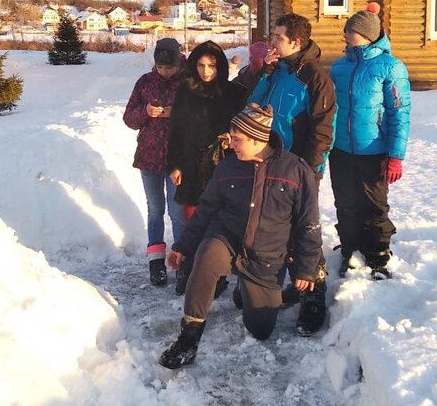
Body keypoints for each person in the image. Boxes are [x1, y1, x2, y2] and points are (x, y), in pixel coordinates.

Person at [158, 104, 323, 369]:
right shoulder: (228, 167)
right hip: (228, 239)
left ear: (257, 139)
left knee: (260, 328)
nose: (231, 144)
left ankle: (248, 289)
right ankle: (188, 338)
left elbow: (308, 224)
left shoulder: (296, 171)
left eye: (237, 139)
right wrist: (182, 247)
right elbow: (205, 210)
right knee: (208, 253)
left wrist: (306, 269)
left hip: (266, 256)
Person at [248, 13, 336, 335]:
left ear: (296, 42)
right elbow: (253, 107)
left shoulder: (314, 78)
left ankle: (314, 294)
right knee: (278, 230)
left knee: (304, 230)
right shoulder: (278, 72)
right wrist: (266, 72)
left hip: (299, 167)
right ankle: (293, 283)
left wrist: (309, 170)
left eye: (278, 39)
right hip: (269, 164)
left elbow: (324, 130)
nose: (273, 43)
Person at [328, 4, 410, 280]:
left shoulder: (390, 67)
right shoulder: (339, 66)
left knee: (374, 204)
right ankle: (350, 250)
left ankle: (377, 256)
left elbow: (400, 112)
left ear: (366, 34)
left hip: (374, 150)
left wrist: (396, 155)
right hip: (340, 148)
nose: (345, 34)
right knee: (345, 202)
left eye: (350, 30)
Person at [166, 40, 247, 294]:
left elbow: (244, 128)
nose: (206, 71)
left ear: (220, 66)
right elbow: (176, 130)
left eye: (211, 66)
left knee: (221, 219)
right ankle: (188, 268)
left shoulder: (233, 93)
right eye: (200, 65)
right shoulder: (186, 90)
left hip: (223, 165)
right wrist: (175, 164)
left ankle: (217, 271)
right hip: (191, 164)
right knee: (193, 218)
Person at [123, 38, 186, 286]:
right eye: (160, 67)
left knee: (178, 211)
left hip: (178, 159)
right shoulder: (145, 82)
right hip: (148, 157)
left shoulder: (189, 82)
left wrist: (174, 112)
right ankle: (156, 261)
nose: (164, 72)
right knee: (155, 210)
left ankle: (181, 261)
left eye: (168, 67)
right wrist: (145, 112)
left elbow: (200, 116)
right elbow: (129, 119)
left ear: (178, 62)